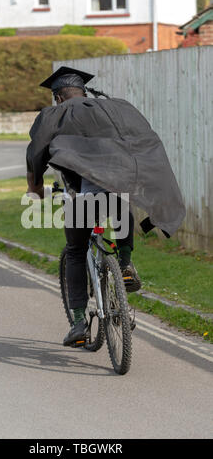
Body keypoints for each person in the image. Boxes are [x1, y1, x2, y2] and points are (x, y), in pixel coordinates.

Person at [26, 66, 185, 346]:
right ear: (83, 91)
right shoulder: (118, 108)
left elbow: (36, 154)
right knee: (119, 201)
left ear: (58, 97)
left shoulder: (54, 114)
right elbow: (143, 139)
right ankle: (123, 263)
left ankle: (78, 323)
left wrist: (36, 192)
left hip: (83, 198)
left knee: (75, 251)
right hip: (123, 187)